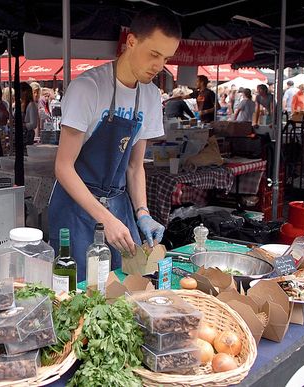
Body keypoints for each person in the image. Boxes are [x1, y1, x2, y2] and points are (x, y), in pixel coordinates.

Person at [49, 5, 179, 282]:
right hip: (77, 205)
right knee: (81, 289)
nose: (159, 66)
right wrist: (104, 218)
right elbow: (63, 167)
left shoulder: (151, 95)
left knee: (124, 283)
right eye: (154, 54)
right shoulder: (88, 89)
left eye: (166, 57)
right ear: (131, 42)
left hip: (118, 204)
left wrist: (142, 212)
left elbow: (135, 167)